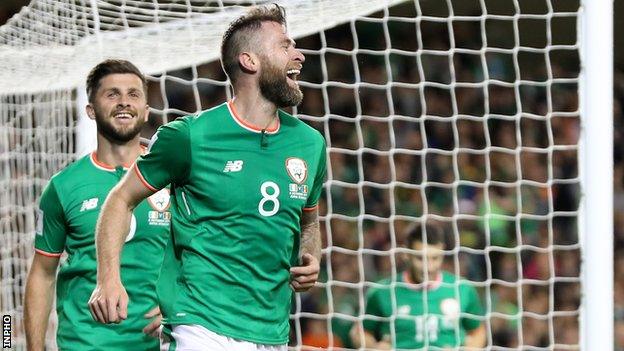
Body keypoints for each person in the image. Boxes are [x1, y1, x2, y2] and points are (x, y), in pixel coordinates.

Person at [88, 4, 326, 350]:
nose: (299, 55)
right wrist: (108, 278)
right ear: (250, 61)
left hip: (272, 331)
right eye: (285, 46)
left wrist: (311, 256)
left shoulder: (310, 144)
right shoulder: (189, 137)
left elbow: (310, 221)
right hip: (199, 327)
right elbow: (120, 198)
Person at [23, 59, 170, 350]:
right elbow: (42, 272)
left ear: (146, 111)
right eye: (112, 94)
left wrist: (181, 305)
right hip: (85, 342)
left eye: (133, 94)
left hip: (159, 342)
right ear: (90, 110)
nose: (124, 102)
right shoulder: (62, 186)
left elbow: (200, 253)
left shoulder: (173, 178)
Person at [350, 222, 487, 349]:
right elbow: (359, 332)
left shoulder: (461, 289)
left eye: (435, 258)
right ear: (405, 255)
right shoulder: (382, 292)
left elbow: (478, 332)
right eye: (420, 258)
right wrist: (374, 347)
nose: (429, 267)